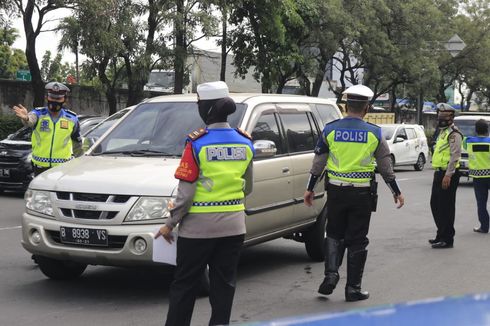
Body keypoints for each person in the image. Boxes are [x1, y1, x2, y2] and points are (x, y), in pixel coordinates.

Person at [154, 81, 254, 326]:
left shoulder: (196, 143)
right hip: (233, 228)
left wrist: (169, 225)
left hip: (197, 231)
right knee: (224, 285)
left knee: (185, 285)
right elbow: (248, 187)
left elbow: (185, 195)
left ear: (205, 109)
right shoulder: (245, 142)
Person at [303, 84, 404, 302]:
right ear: (366, 107)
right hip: (362, 195)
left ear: (346, 106)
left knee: (333, 234)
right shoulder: (374, 132)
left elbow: (318, 163)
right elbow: (385, 167)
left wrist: (310, 189)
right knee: (357, 240)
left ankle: (330, 275)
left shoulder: (330, 129)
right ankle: (353, 289)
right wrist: (396, 191)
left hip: (336, 192)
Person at [12, 81, 82, 176]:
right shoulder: (38, 114)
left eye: (58, 98)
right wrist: (26, 118)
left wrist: (80, 163)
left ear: (65, 100)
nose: (55, 101)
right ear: (46, 97)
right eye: (52, 97)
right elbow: (30, 121)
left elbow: (77, 143)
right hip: (40, 168)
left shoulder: (72, 118)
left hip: (63, 169)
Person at [429, 103, 462, 248]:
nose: (440, 118)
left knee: (446, 207)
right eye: (439, 116)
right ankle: (440, 234)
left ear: (451, 117)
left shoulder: (454, 133)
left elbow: (455, 156)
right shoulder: (442, 132)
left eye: (444, 116)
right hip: (439, 172)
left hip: (448, 174)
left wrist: (448, 175)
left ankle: (447, 239)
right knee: (435, 205)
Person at [463, 119, 490, 233]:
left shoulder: (469, 141)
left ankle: (484, 227)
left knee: (481, 203)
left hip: (478, 178)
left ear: (476, 130)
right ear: (487, 129)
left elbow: (462, 141)